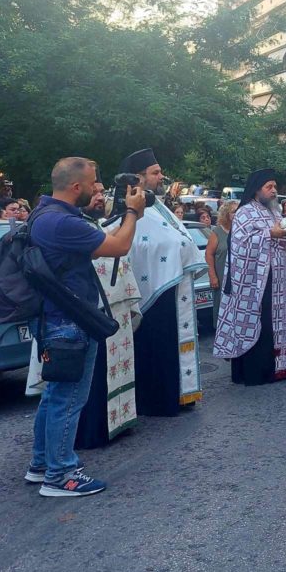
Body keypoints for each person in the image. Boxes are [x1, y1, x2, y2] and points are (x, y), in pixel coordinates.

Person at [27, 157, 145, 497]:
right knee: (68, 398)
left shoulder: (44, 215)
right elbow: (119, 247)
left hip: (54, 318)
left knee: (52, 396)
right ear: (75, 186)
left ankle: (40, 464)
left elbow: (88, 252)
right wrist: (133, 211)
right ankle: (60, 475)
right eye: (94, 181)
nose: (98, 187)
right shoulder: (63, 223)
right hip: (70, 323)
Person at [117, 149, 205, 416]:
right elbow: (136, 245)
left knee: (171, 341)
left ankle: (178, 393)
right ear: (139, 178)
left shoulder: (156, 204)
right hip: (152, 289)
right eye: (155, 173)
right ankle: (157, 399)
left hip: (171, 284)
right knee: (155, 343)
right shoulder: (129, 207)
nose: (160, 176)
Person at [213, 169, 286, 385]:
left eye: (275, 187)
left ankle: (281, 368)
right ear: (256, 190)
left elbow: (282, 243)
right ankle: (258, 372)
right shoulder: (245, 212)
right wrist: (270, 234)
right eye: (268, 187)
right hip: (255, 283)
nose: (273, 191)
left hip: (279, 281)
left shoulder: (275, 212)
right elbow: (240, 245)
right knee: (260, 324)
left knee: (276, 325)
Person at [205, 200, 237, 330]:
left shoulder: (242, 231)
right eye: (234, 211)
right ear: (226, 214)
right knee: (222, 308)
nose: (237, 214)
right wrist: (212, 276)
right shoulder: (217, 232)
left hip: (239, 279)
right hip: (222, 277)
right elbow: (208, 254)